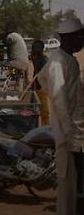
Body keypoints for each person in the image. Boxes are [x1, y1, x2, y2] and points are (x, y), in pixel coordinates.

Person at [37, 18, 84, 215]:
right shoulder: (57, 61)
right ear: (69, 38)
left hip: (76, 129)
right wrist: (69, 131)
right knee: (67, 181)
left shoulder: (69, 58)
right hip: (68, 132)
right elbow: (59, 99)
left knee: (75, 181)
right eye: (80, 37)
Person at [30, 40, 50, 125]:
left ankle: (46, 128)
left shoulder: (44, 59)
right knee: (32, 111)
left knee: (44, 111)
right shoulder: (33, 57)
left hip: (42, 87)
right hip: (34, 87)